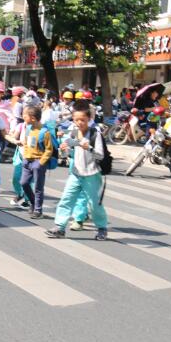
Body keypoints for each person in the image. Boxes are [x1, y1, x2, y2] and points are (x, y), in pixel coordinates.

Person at [46, 100, 109, 240]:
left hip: (92, 174)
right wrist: (64, 149)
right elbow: (67, 154)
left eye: (83, 120)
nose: (79, 123)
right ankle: (59, 227)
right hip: (76, 173)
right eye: (76, 120)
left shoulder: (95, 134)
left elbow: (100, 155)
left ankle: (102, 228)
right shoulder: (73, 132)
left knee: (94, 204)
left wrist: (89, 148)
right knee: (66, 199)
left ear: (89, 119)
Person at [19, 105, 54, 219]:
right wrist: (25, 156)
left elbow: (49, 150)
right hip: (27, 161)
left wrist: (41, 163)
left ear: (33, 118)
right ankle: (33, 203)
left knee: (38, 187)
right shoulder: (28, 128)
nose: (23, 117)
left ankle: (38, 210)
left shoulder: (45, 132)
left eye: (25, 116)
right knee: (23, 183)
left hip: (38, 162)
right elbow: (26, 143)